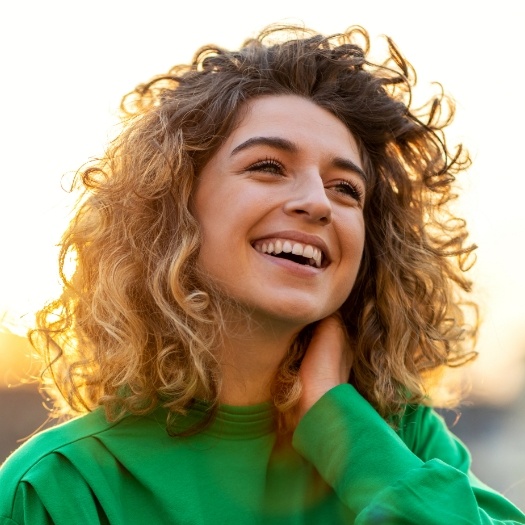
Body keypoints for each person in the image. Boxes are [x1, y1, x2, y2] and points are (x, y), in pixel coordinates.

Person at [1, 24, 524, 525]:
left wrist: (343, 432)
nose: (319, 202)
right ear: (172, 207)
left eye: (346, 188)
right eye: (268, 167)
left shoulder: (401, 441)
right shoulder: (55, 488)